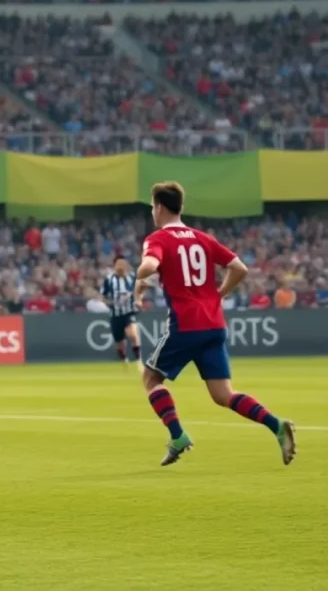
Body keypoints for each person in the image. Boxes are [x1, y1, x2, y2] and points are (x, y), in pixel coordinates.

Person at [136, 181, 296, 467]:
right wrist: (219, 294)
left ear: (159, 207)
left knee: (150, 379)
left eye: (152, 207)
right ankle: (277, 425)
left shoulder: (157, 239)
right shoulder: (202, 238)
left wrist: (143, 270)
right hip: (214, 324)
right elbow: (240, 268)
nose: (152, 212)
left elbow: (149, 265)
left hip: (185, 325)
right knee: (224, 395)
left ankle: (178, 435)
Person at [101, 255, 141, 366]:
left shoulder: (132, 278)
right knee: (119, 342)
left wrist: (137, 299)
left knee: (133, 334)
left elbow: (139, 291)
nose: (122, 266)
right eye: (119, 264)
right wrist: (112, 303)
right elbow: (103, 297)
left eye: (123, 263)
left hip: (129, 312)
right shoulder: (109, 279)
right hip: (115, 314)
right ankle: (124, 360)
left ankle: (138, 359)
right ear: (115, 266)